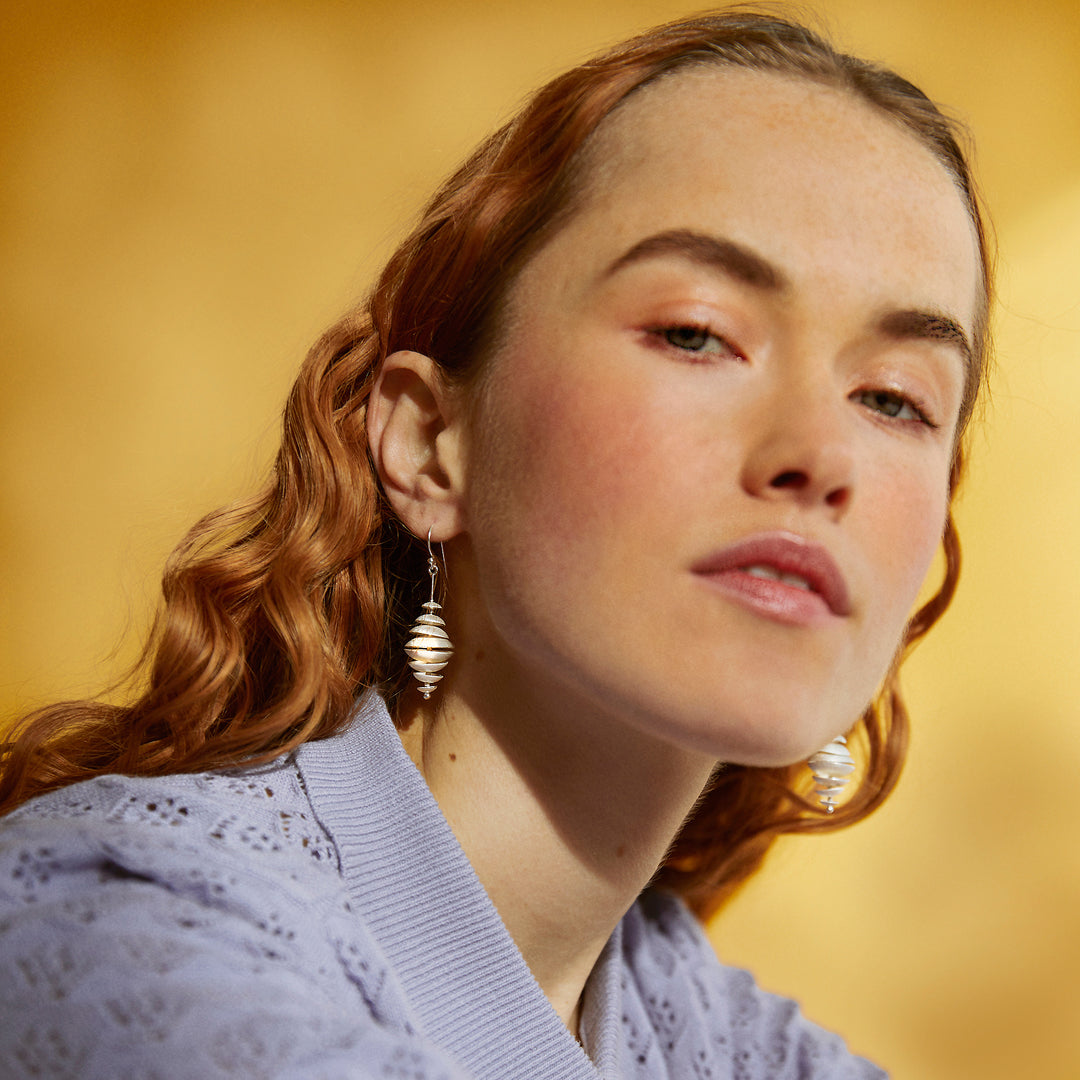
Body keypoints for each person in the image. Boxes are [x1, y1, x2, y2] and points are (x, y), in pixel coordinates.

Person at [0, 8, 990, 1079]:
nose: (821, 457)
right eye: (696, 333)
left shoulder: (747, 1050)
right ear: (430, 443)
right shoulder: (110, 933)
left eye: (894, 399)